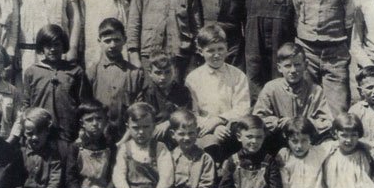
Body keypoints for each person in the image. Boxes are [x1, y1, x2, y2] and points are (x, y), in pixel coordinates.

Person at [291, 0, 353, 115]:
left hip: (335, 53)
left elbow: (349, 20)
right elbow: (298, 14)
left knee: (338, 106)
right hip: (307, 51)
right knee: (305, 104)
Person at [184, 24, 250, 163]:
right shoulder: (193, 78)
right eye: (210, 50)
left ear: (227, 47)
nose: (217, 54)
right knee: (212, 144)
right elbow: (192, 113)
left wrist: (220, 120)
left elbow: (242, 108)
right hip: (204, 130)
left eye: (220, 49)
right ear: (201, 51)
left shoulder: (238, 75)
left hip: (232, 128)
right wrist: (213, 127)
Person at [20, 24, 90, 150]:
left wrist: (82, 131)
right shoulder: (32, 72)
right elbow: (26, 104)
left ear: (63, 46)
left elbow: (83, 105)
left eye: (57, 44)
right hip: (39, 134)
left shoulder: (75, 71)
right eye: (48, 45)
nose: (52, 49)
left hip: (67, 133)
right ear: (42, 47)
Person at [252, 42, 333, 146]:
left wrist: (305, 124)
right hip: (278, 142)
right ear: (279, 68)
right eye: (287, 66)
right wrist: (280, 123)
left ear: (306, 65)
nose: (293, 70)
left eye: (297, 65)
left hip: (306, 143)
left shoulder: (315, 90)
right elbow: (258, 119)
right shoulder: (270, 88)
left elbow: (327, 121)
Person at [166, 109, 221, 188]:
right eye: (182, 134)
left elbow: (206, 187)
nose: (187, 138)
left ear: (197, 132)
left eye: (191, 133)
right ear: (173, 134)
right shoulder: (169, 158)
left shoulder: (205, 158)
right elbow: (167, 184)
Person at [87, 17, 144, 143]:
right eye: (107, 41)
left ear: (125, 40)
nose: (112, 45)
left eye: (117, 40)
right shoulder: (92, 72)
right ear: (99, 41)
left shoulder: (134, 74)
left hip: (127, 138)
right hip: (97, 139)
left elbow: (138, 113)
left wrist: (122, 142)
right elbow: (86, 110)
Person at [133, 53, 192, 146]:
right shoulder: (146, 93)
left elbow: (186, 114)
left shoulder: (182, 91)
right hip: (155, 136)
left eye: (168, 72)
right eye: (158, 73)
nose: (163, 77)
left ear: (175, 71)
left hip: (179, 136)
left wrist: (169, 122)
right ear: (150, 73)